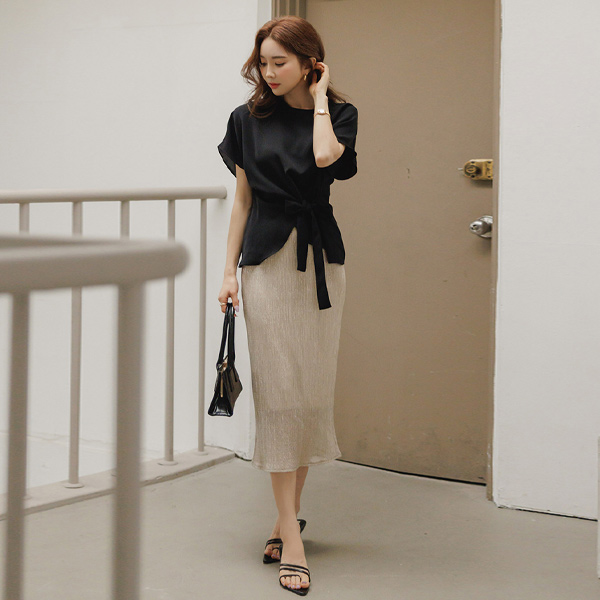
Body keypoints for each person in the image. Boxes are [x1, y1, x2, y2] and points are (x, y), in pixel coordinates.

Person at [216, 15, 358, 596]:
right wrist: (228, 271)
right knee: (278, 396)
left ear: (309, 63)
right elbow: (242, 201)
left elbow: (326, 159)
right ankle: (291, 541)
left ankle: (284, 520)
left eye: (281, 62)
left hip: (321, 261)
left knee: (307, 394)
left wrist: (319, 99)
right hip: (267, 264)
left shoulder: (339, 114)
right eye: (263, 62)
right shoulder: (245, 119)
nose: (269, 73)